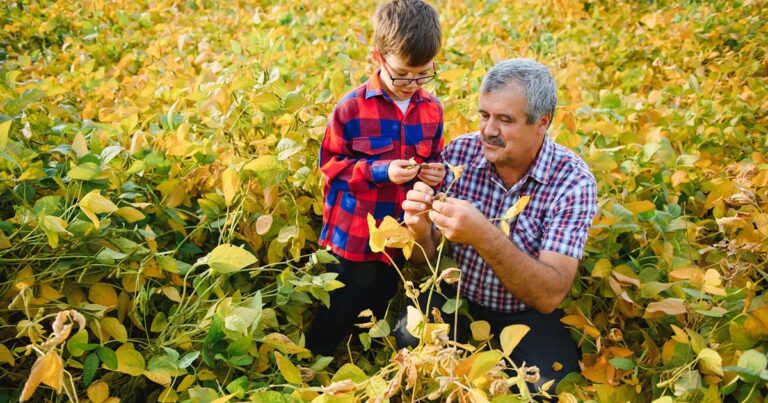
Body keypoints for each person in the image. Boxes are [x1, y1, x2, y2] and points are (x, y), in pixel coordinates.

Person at [396, 58, 598, 390]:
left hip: (527, 313)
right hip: (457, 298)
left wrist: (483, 235)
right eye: (485, 115)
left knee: (553, 387)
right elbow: (426, 260)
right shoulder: (460, 154)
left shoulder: (572, 182)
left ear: (542, 123)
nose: (489, 131)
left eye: (505, 119)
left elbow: (550, 295)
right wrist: (419, 230)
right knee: (410, 346)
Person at [306, 0, 446, 356]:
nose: (412, 83)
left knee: (379, 298)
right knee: (340, 304)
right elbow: (332, 165)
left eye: (423, 74)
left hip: (397, 234)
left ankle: (361, 355)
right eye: (402, 74)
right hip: (353, 235)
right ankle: (315, 359)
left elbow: (435, 158)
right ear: (378, 58)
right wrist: (382, 171)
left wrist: (434, 174)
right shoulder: (351, 109)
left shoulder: (432, 110)